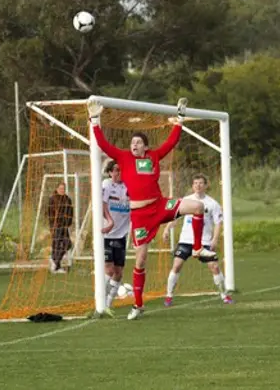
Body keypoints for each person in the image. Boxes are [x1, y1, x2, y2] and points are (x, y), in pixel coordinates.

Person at [87, 98, 215, 320]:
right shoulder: (124, 158)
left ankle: (196, 248)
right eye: (132, 142)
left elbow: (171, 142)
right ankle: (137, 305)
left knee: (198, 206)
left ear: (146, 146)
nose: (133, 144)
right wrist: (95, 120)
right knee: (141, 260)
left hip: (159, 205)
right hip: (140, 216)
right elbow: (103, 145)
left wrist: (180, 119)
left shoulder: (154, 156)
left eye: (138, 142)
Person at [162, 174, 233, 306]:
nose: (198, 186)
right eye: (195, 183)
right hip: (186, 240)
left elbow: (218, 223)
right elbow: (175, 217)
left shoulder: (212, 204)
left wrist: (214, 239)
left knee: (215, 267)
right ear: (192, 186)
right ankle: (169, 296)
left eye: (201, 183)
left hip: (204, 242)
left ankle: (224, 295)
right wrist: (167, 229)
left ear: (206, 185)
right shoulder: (186, 200)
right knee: (176, 265)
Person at [101, 159, 131, 309]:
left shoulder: (128, 186)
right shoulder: (106, 184)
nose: (119, 173)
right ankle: (100, 300)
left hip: (121, 234)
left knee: (118, 273)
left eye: (121, 170)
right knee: (109, 269)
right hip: (106, 234)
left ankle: (108, 303)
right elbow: (102, 205)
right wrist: (109, 221)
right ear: (110, 172)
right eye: (116, 170)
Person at [47, 182, 73, 274]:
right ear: (57, 189)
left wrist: (68, 223)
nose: (62, 190)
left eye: (63, 188)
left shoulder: (67, 199)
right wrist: (52, 227)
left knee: (68, 244)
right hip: (56, 226)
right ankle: (57, 267)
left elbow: (71, 212)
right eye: (60, 188)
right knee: (56, 246)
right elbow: (50, 214)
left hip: (64, 226)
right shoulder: (52, 199)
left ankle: (55, 262)